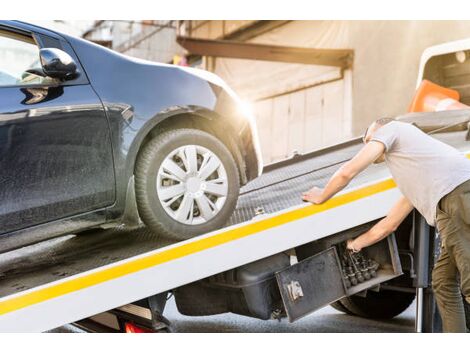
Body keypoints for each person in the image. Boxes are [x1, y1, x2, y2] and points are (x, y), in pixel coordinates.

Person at [302, 117, 470, 332]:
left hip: (461, 198)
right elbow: (390, 223)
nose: (367, 143)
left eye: (369, 138)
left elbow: (349, 171)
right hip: (450, 211)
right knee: (443, 282)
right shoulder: (418, 173)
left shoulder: (394, 129)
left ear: (381, 129)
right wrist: (356, 244)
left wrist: (322, 195)